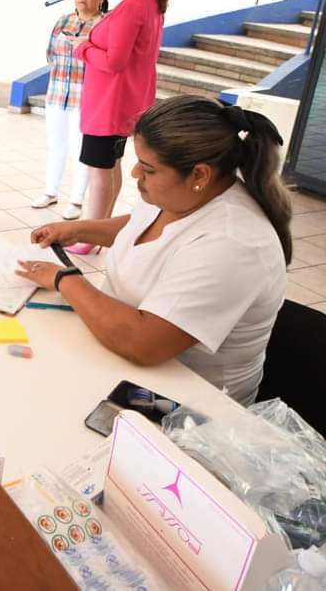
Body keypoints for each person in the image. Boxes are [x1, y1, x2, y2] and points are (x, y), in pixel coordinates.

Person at [16, 96, 291, 406]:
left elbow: (143, 343)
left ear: (199, 175)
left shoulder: (234, 243)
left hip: (189, 408)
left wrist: (65, 278)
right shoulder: (180, 193)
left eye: (148, 169)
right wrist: (78, 230)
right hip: (121, 359)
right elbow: (142, 228)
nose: (135, 173)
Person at [68, 0, 167, 253]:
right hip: (127, 101)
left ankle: (87, 238)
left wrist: (83, 47)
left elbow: (114, 61)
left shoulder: (132, 8)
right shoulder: (152, 5)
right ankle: (101, 232)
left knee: (99, 172)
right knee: (111, 167)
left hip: (109, 104)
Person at [32, 0, 108, 220]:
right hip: (56, 95)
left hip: (85, 99)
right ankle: (50, 191)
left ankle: (76, 200)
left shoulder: (104, 26)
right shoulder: (63, 21)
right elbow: (50, 54)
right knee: (56, 146)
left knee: (79, 150)